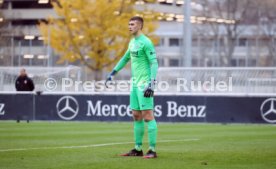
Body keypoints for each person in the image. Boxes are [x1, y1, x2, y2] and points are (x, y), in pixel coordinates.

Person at [105, 16, 158, 159]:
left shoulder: (146, 42)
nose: (129, 26)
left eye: (132, 24)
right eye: (128, 24)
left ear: (140, 26)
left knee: (148, 116)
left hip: (145, 83)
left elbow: (154, 63)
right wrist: (113, 72)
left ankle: (152, 150)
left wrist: (151, 84)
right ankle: (137, 149)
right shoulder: (132, 42)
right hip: (135, 83)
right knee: (136, 115)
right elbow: (125, 58)